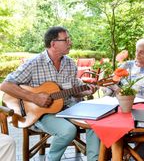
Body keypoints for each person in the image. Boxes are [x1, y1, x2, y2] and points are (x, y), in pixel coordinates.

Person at [1, 26, 95, 161]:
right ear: (53, 44)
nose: (70, 42)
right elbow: (5, 85)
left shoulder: (70, 63)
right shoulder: (33, 63)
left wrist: (86, 90)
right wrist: (33, 97)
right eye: (66, 40)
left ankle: (95, 158)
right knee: (67, 131)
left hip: (70, 108)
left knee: (96, 122)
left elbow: (74, 90)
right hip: (42, 113)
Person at [90, 38, 144, 160]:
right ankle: (113, 153)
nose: (137, 54)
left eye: (141, 52)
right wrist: (117, 90)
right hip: (124, 106)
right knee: (108, 123)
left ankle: (139, 157)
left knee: (140, 127)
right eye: (136, 51)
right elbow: (113, 80)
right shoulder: (127, 65)